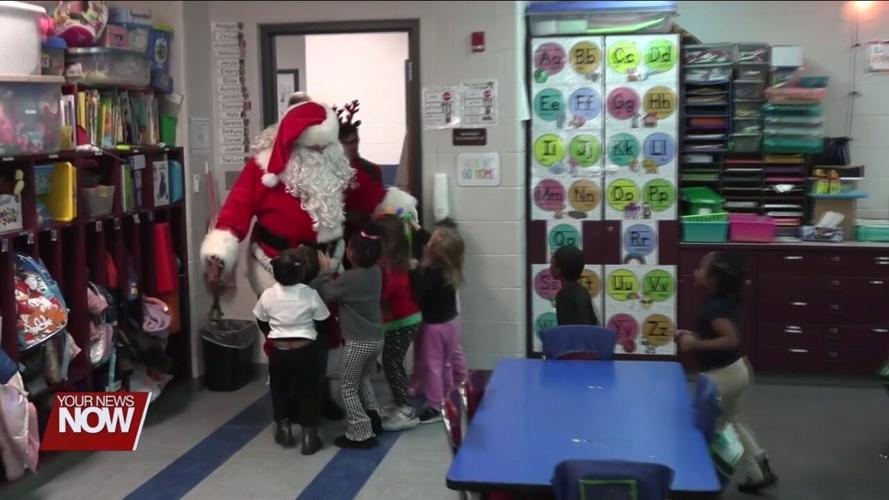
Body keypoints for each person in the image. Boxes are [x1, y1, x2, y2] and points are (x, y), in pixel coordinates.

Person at [200, 99, 353, 421]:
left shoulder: (336, 165)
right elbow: (235, 211)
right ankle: (287, 401)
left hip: (326, 264)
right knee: (285, 336)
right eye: (316, 149)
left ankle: (319, 392)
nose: (322, 154)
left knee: (326, 331)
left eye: (327, 147)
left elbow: (369, 197)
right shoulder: (262, 168)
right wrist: (218, 254)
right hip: (275, 266)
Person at [676, 252, 778, 493]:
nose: (696, 272)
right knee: (733, 422)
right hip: (737, 369)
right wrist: (692, 336)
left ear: (714, 279)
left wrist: (695, 344)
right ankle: (760, 469)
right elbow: (718, 336)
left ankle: (700, 477)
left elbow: (730, 339)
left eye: (702, 268)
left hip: (723, 375)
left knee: (710, 424)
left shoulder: (714, 308)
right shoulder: (720, 301)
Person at [314, 224, 385, 449]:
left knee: (347, 386)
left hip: (357, 342)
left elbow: (326, 292)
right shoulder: (376, 272)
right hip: (375, 339)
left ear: (351, 252)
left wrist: (325, 270)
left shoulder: (351, 278)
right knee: (363, 378)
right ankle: (374, 417)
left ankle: (361, 432)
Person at [252, 246, 327, 455]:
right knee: (309, 391)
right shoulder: (310, 294)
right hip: (305, 350)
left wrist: (272, 334)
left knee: (279, 390)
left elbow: (261, 319)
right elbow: (324, 321)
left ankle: (284, 430)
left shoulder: (267, 295)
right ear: (303, 272)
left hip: (279, 351)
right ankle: (309, 436)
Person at [411, 225, 467, 424]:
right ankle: (450, 393)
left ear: (432, 251)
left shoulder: (430, 273)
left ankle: (435, 406)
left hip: (434, 327)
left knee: (432, 366)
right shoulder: (449, 267)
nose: (426, 242)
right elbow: (435, 241)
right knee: (446, 362)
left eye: (429, 241)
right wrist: (416, 228)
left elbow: (417, 294)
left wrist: (415, 269)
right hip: (451, 323)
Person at [376, 215, 423, 431]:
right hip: (402, 321)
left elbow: (383, 295)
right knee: (392, 362)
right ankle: (400, 401)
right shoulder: (395, 261)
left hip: (402, 322)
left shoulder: (392, 268)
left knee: (392, 363)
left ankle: (405, 410)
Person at [337, 100, 387, 248]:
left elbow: (377, 207)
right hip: (337, 236)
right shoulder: (328, 171)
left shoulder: (371, 170)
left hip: (364, 236)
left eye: (356, 141)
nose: (353, 146)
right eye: (348, 142)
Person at [550, 245, 599, 326]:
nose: (550, 266)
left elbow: (568, 330)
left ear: (559, 269)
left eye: (552, 262)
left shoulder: (564, 295)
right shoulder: (583, 290)